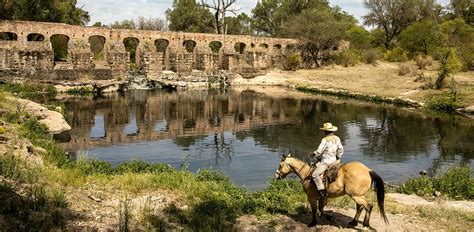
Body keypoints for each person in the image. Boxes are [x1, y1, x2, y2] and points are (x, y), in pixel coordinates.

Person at [310, 122, 344, 197]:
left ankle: (321, 190)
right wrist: (338, 156)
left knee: (314, 174)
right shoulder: (337, 138)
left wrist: (313, 154)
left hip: (326, 162)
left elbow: (319, 152)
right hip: (335, 161)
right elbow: (341, 150)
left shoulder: (324, 140)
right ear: (332, 130)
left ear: (325, 131)